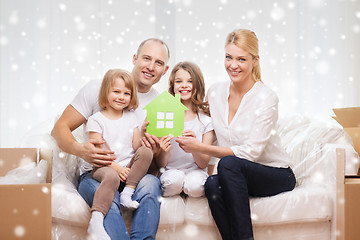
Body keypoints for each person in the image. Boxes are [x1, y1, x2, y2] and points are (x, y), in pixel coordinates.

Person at [175, 29, 296, 240]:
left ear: (255, 60)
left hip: (275, 173)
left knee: (228, 164)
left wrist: (200, 147)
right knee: (212, 184)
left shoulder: (266, 98)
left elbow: (249, 154)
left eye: (241, 59)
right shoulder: (215, 92)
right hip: (236, 173)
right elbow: (209, 131)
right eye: (229, 57)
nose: (233, 65)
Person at [51, 38, 170, 240]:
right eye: (146, 58)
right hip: (99, 172)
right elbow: (59, 129)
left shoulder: (161, 106)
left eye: (158, 63)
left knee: (151, 184)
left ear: (165, 70)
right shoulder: (99, 88)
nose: (151, 67)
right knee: (107, 196)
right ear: (134, 58)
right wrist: (80, 149)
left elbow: (157, 163)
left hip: (134, 175)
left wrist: (156, 152)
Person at [86, 69, 154, 239]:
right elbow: (97, 152)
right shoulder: (96, 119)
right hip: (104, 166)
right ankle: (96, 219)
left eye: (126, 93)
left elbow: (136, 146)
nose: (121, 97)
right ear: (106, 92)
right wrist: (116, 167)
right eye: (116, 92)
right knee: (111, 176)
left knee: (146, 152)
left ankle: (127, 193)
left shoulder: (131, 118)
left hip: (127, 171)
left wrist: (144, 133)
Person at [156, 61, 215, 198]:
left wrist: (195, 147)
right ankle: (179, 187)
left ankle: (186, 188)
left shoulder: (205, 121)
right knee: (173, 181)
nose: (184, 85)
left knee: (195, 186)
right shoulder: (165, 117)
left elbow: (203, 163)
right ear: (173, 86)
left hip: (196, 171)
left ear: (197, 85)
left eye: (190, 81)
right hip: (171, 171)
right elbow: (161, 163)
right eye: (178, 81)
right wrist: (164, 150)